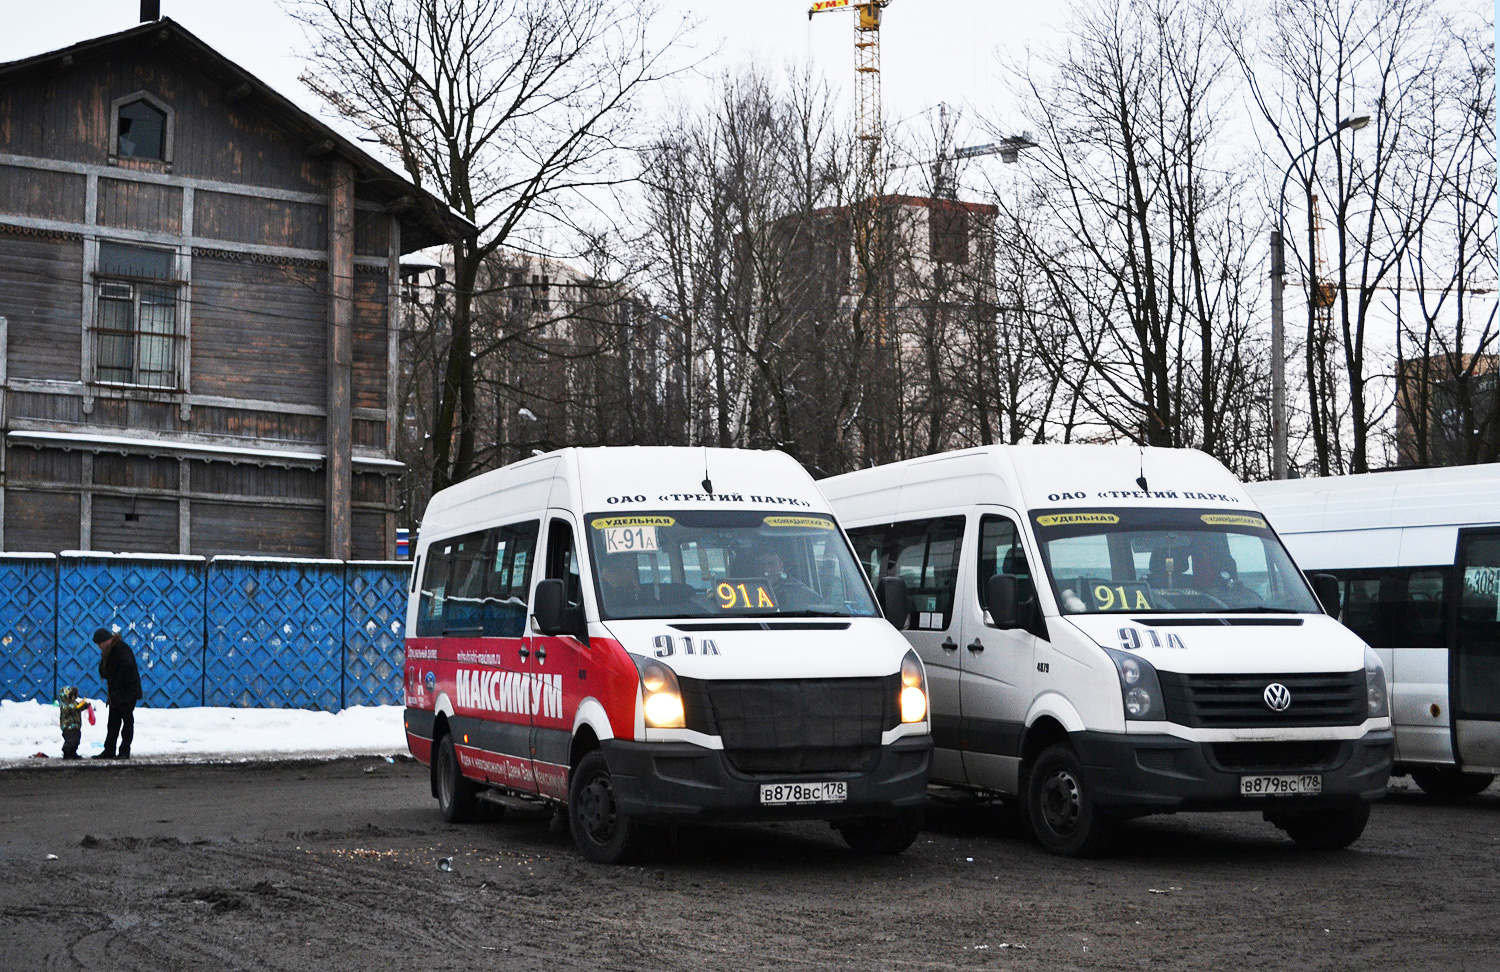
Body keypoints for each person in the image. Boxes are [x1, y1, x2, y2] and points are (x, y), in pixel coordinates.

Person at [93, 627, 142, 760]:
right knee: (113, 723)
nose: (99, 647)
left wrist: (118, 683)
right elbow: (107, 669)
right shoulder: (111, 650)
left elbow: (127, 666)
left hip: (126, 693)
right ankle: (109, 750)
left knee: (126, 722)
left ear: (106, 641)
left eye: (99, 644)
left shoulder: (121, 649)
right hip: (117, 693)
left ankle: (124, 751)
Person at [56, 685, 90, 760]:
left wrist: (85, 705)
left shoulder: (74, 703)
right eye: (73, 696)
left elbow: (78, 708)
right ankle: (67, 753)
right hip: (68, 727)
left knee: (76, 741)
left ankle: (73, 752)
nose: (74, 698)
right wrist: (78, 706)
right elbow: (71, 708)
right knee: (70, 741)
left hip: (76, 726)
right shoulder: (65, 705)